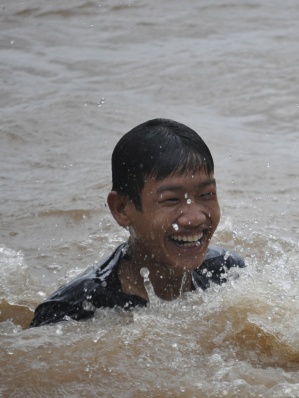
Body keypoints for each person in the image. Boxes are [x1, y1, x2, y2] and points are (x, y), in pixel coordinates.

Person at [30, 119, 244, 327]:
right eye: (171, 199)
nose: (195, 217)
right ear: (121, 208)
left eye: (207, 194)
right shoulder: (72, 311)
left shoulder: (227, 271)